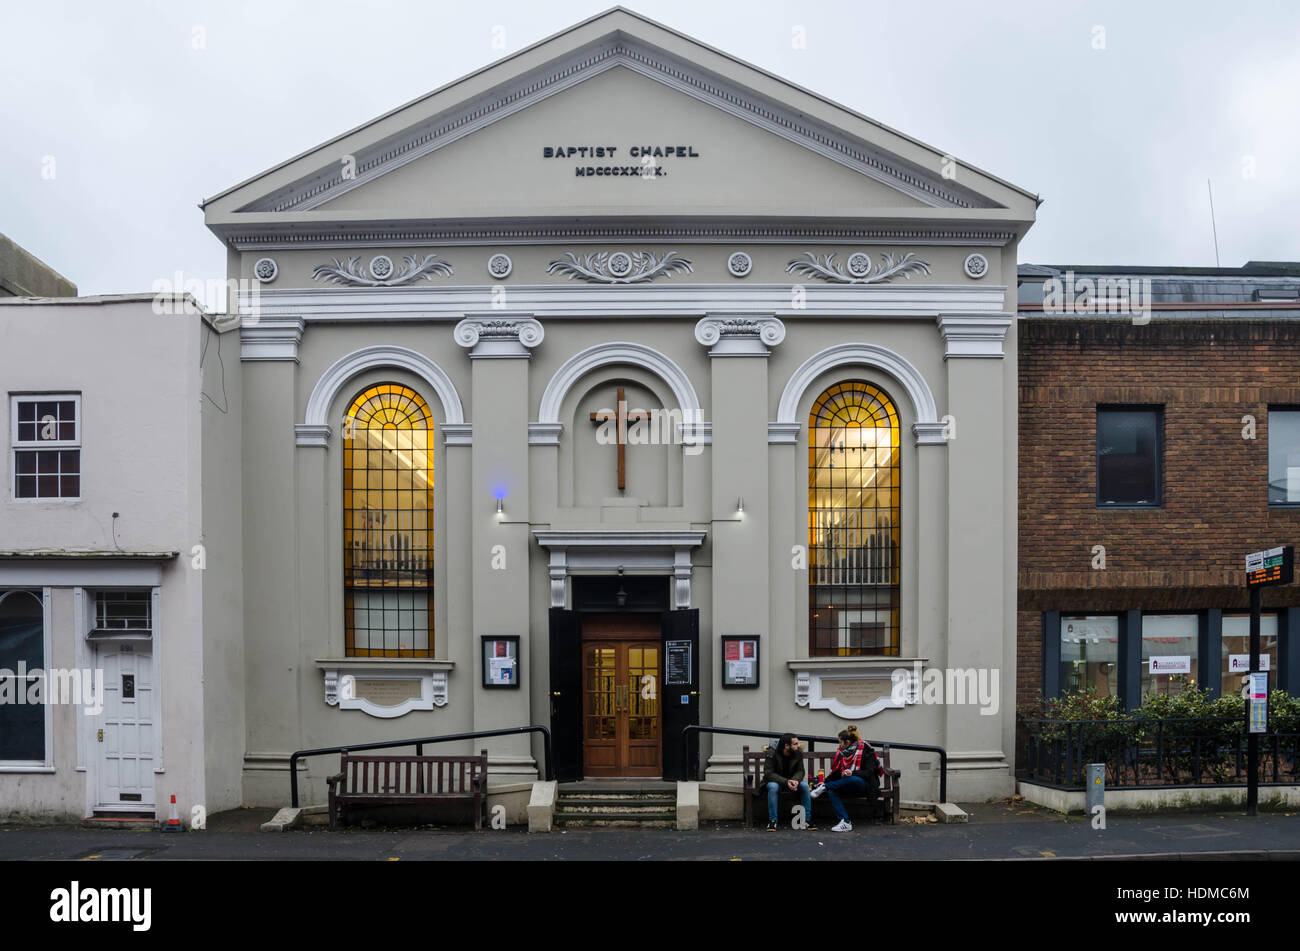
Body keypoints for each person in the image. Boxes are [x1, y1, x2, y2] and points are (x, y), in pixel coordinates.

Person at [810, 725, 879, 832]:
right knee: (833, 790)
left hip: (864, 785)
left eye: (840, 742)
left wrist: (853, 772)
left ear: (847, 742)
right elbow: (836, 772)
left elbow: (869, 772)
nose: (839, 744)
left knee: (853, 779)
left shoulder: (866, 750)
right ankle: (845, 822)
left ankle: (825, 787)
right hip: (846, 785)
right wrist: (824, 781)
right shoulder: (843, 753)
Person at [760, 733, 813, 830]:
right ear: (787, 745)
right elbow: (768, 773)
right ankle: (773, 821)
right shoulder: (772, 752)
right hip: (776, 782)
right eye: (795, 744)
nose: (798, 745)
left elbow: (800, 770)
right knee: (773, 787)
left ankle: (807, 819)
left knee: (805, 786)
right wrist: (786, 781)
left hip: (792, 782)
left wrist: (796, 780)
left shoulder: (798, 753)